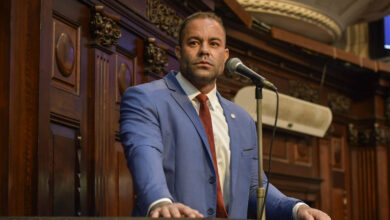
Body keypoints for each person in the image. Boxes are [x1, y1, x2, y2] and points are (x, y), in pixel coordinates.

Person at [120, 12, 331, 220]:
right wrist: (161, 202)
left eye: (214, 44)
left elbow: (254, 186)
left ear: (225, 55)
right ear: (178, 51)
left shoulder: (242, 119)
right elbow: (144, 153)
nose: (204, 50)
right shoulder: (146, 98)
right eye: (194, 43)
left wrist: (298, 209)